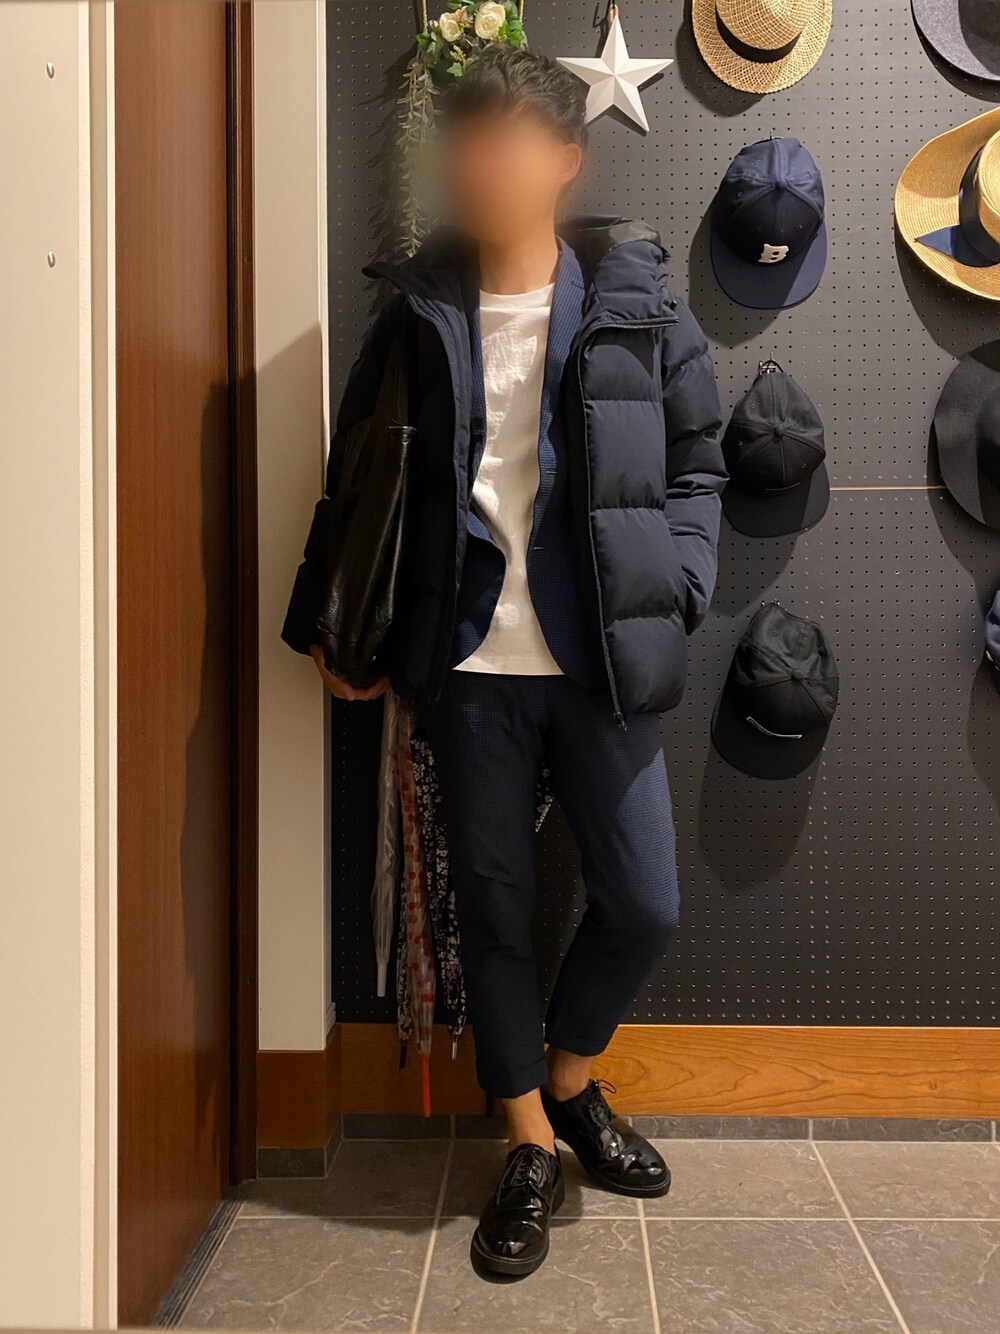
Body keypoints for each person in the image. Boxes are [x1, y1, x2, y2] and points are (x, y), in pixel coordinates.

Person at [283, 45, 726, 1278]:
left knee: (642, 900)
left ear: (565, 160)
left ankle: (571, 1079)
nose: (487, 168)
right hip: (467, 663)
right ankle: (527, 1136)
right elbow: (357, 476)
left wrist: (678, 584)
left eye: (513, 146)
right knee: (494, 907)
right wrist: (336, 623)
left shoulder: (639, 301)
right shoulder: (414, 307)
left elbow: (699, 464)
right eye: (470, 146)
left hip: (600, 661)